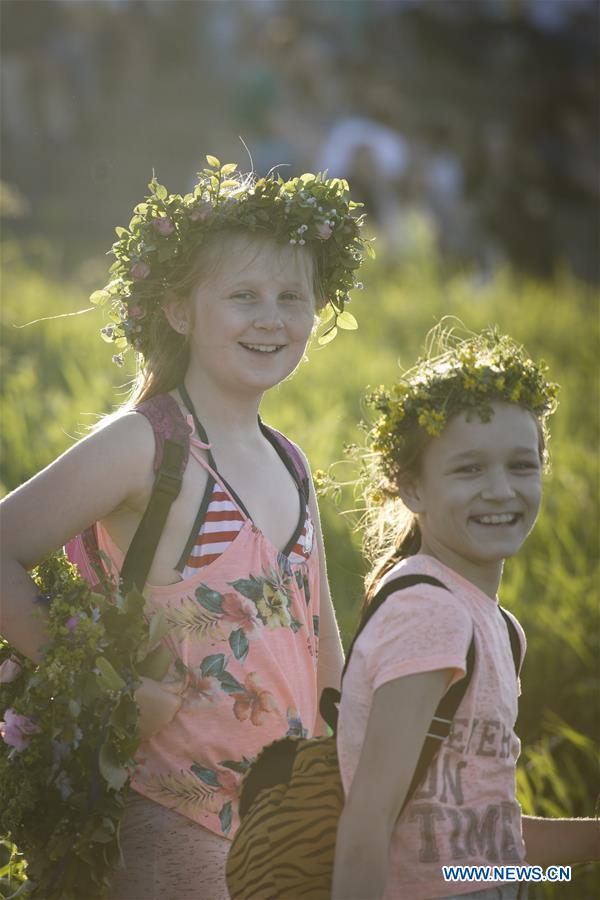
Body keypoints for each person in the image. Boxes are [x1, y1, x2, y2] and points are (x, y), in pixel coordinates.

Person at [0, 159, 369, 899]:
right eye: (243, 296)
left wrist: (358, 794)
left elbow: (322, 652)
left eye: (291, 296)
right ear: (178, 310)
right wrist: (106, 691)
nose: (271, 317)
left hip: (280, 831)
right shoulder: (148, 444)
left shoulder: (291, 462)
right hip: (168, 816)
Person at [332, 330, 599, 899]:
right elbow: (367, 824)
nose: (501, 490)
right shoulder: (432, 614)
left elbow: (480, 854)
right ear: (412, 488)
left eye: (521, 465)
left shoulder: (496, 626)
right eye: (469, 470)